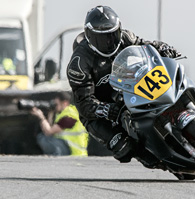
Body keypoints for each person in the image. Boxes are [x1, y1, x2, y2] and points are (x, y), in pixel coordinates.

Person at [67, 5, 180, 163]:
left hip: (128, 89)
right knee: (124, 148)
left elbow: (146, 46)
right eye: (102, 37)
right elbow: (83, 104)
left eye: (113, 35)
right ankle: (161, 162)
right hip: (99, 111)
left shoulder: (126, 37)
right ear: (90, 37)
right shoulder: (79, 63)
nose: (108, 42)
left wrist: (162, 47)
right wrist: (104, 109)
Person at [30, 92, 89, 156]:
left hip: (74, 152)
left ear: (65, 103)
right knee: (45, 137)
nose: (55, 106)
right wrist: (51, 112)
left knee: (42, 138)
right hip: (69, 148)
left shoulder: (69, 117)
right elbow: (50, 128)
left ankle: (58, 156)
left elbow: (49, 131)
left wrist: (41, 117)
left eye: (56, 104)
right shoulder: (66, 112)